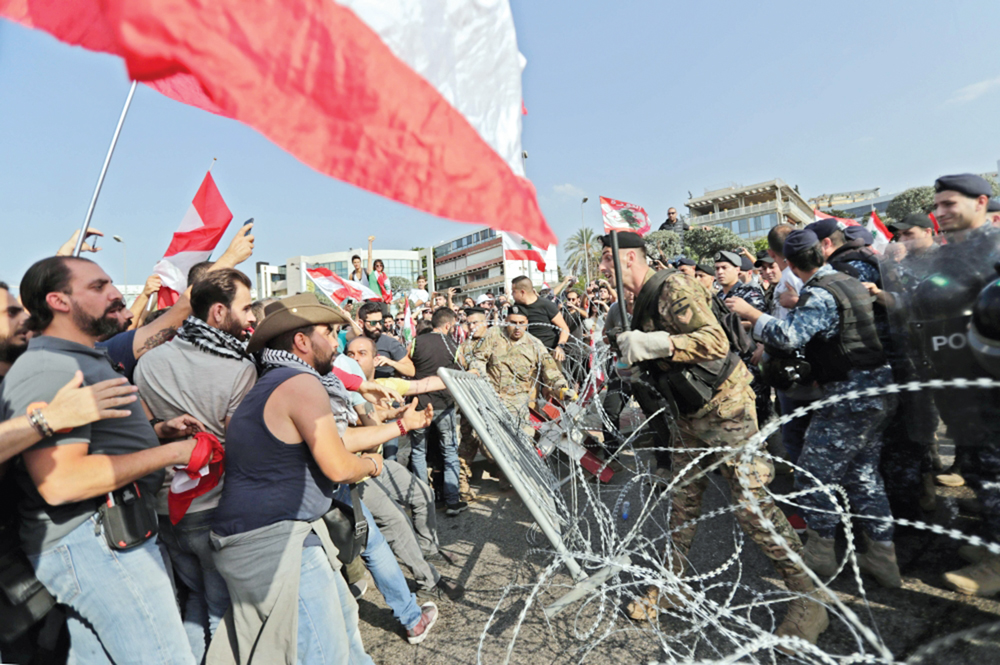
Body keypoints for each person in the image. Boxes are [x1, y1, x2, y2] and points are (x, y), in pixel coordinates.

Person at [599, 232, 826, 648]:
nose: (600, 269)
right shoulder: (634, 303)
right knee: (682, 502)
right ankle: (672, 585)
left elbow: (715, 341)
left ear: (628, 258)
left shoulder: (673, 287)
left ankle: (809, 596)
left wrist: (656, 343)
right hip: (688, 412)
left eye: (605, 260)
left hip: (725, 407)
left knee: (752, 506)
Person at [1, 256, 203, 664]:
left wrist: (158, 433)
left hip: (107, 538)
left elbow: (98, 442)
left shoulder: (79, 357)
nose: (115, 294)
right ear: (58, 301)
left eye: (110, 283)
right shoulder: (52, 367)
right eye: (98, 286)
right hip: (96, 543)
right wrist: (172, 453)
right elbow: (62, 482)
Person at [207, 295, 426, 663]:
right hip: (274, 540)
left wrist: (400, 426)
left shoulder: (281, 379)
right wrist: (371, 466)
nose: (336, 342)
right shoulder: (300, 383)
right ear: (302, 341)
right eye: (328, 332)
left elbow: (335, 440)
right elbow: (338, 465)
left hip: (285, 532)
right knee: (326, 652)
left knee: (344, 624)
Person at [727, 229, 901, 591]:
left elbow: (789, 336)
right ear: (822, 252)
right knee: (863, 475)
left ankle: (820, 553)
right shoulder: (847, 282)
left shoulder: (821, 293)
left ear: (790, 264)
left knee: (811, 474)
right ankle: (882, 556)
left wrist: (752, 314)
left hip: (850, 396)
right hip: (875, 389)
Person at [133, 268, 258, 661]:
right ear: (219, 312)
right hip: (213, 508)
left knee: (196, 601)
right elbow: (241, 449)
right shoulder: (240, 369)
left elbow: (145, 432)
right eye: (246, 307)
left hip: (165, 509)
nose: (252, 317)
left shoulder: (149, 362)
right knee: (221, 613)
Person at [459, 306, 574, 433]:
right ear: (506, 321)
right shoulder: (493, 335)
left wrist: (562, 387)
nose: (517, 327)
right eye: (513, 323)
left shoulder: (534, 344)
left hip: (519, 404)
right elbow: (478, 359)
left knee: (524, 438)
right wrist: (486, 386)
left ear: (527, 323)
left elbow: (550, 370)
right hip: (494, 399)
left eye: (521, 323)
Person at [408, 307, 466, 516]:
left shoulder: (416, 342)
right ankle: (452, 501)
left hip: (419, 404)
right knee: (449, 451)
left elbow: (407, 366)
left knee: (418, 452)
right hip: (443, 406)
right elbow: (460, 371)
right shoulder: (452, 345)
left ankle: (424, 502)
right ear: (447, 325)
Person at [510, 276, 570, 362]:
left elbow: (564, 328)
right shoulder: (516, 308)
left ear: (523, 292)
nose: (512, 294)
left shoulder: (546, 305)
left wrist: (560, 346)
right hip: (526, 354)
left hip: (548, 354)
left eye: (514, 291)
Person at [359, 301, 414, 379]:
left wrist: (391, 362)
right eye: (373, 323)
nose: (378, 326)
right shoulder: (353, 344)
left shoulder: (390, 343)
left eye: (380, 322)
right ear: (361, 323)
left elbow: (411, 371)